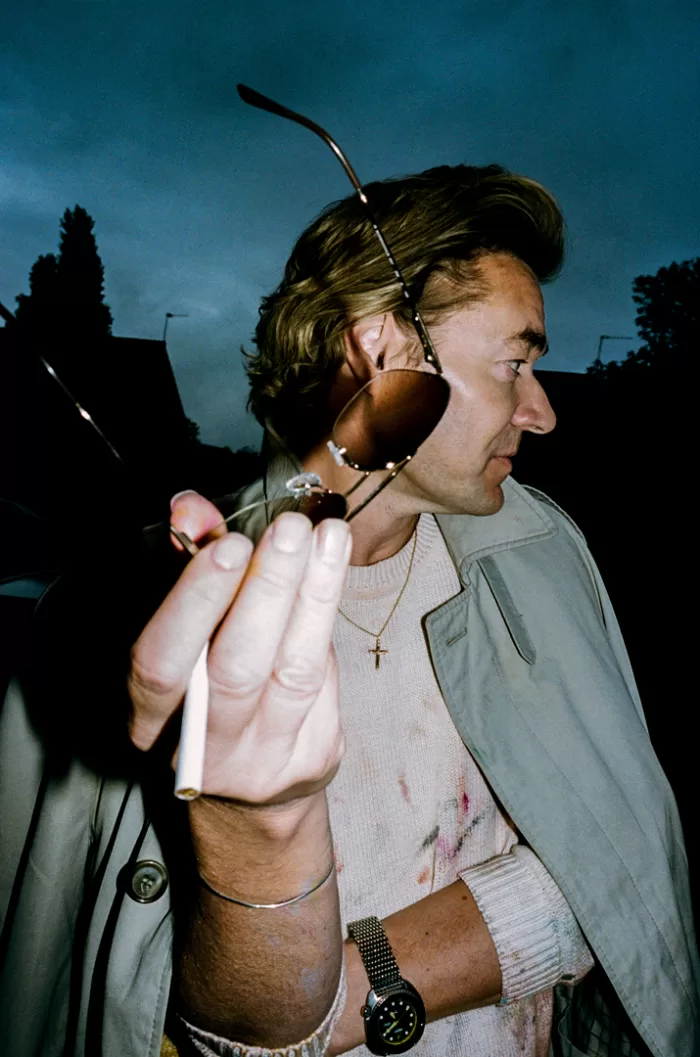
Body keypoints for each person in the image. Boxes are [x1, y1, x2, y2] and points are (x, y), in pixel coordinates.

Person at [1, 163, 697, 1057]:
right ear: (386, 353)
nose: (544, 410)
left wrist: (351, 986)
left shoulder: (543, 557)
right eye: (517, 362)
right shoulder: (126, 613)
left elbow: (626, 866)